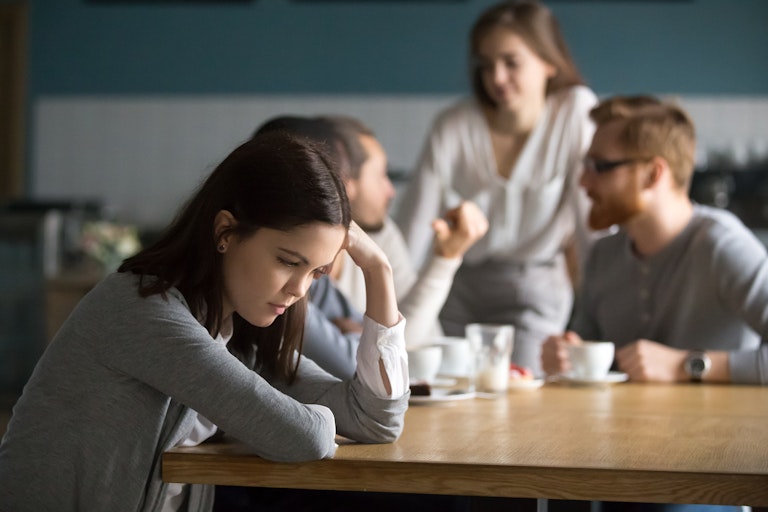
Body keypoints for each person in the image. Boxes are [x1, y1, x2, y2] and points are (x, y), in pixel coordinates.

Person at [0, 131, 409, 512]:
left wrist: (378, 271)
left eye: (317, 272)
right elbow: (306, 435)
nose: (299, 290)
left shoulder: (238, 331)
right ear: (225, 232)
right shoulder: (144, 312)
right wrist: (283, 417)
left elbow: (375, 420)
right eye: (287, 262)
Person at [541, 95, 766, 511]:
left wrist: (687, 365)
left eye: (600, 166)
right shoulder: (605, 254)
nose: (583, 183)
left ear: (653, 174)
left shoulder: (722, 246)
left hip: (706, 478)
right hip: (616, 466)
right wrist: (566, 355)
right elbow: (590, 346)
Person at [395, 0, 598, 376]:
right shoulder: (453, 125)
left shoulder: (575, 112)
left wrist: (595, 323)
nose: (497, 78)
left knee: (520, 395)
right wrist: (383, 314)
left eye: (511, 62)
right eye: (486, 65)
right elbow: (409, 234)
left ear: (549, 62)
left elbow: (591, 233)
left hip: (534, 290)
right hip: (459, 289)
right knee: (447, 390)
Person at [254, 115, 488, 379]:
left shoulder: (379, 235)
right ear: (342, 183)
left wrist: (364, 337)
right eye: (380, 175)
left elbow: (409, 347)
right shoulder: (287, 283)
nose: (391, 191)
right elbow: (375, 365)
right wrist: (366, 338)